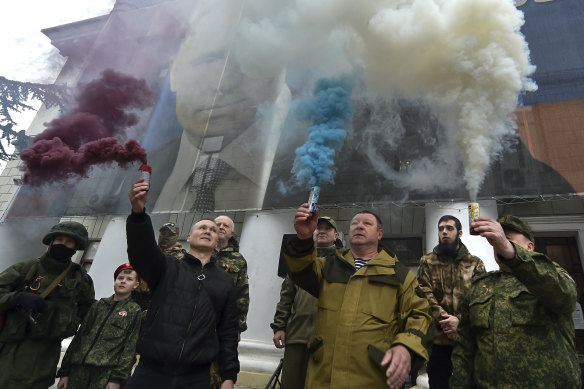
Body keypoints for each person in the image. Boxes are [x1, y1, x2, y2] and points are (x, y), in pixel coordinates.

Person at [285, 204, 432, 389]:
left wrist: (406, 347)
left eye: (367, 223)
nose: (359, 226)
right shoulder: (328, 265)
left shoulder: (399, 274)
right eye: (354, 223)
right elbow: (299, 269)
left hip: (371, 379)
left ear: (379, 234)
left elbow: (421, 315)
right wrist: (304, 237)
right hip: (322, 378)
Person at [126, 178, 239, 389]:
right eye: (202, 227)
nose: (208, 231)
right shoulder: (168, 267)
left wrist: (229, 375)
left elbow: (228, 331)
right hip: (151, 371)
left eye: (213, 230)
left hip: (196, 377)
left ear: (217, 242)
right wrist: (138, 215)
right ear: (189, 236)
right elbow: (141, 251)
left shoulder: (225, 282)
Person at [451, 215, 581, 388]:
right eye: (497, 240)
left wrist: (511, 252)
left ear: (530, 247)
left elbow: (566, 297)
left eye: (508, 239)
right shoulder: (481, 285)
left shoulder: (553, 274)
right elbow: (465, 345)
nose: (499, 243)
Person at [0, 221, 95, 389]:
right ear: (51, 241)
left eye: (69, 242)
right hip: (13, 346)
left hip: (47, 354)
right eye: (59, 239)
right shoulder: (27, 268)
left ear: (75, 246)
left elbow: (88, 311)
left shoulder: (81, 279)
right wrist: (17, 297)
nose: (63, 244)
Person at [416, 215, 486, 388]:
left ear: (460, 233)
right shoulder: (427, 262)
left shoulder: (475, 263)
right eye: (441, 229)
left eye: (449, 228)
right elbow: (424, 293)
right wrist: (446, 321)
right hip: (438, 341)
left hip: (467, 339)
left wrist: (459, 322)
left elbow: (480, 297)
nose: (444, 232)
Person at [271, 216, 340, 389]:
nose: (322, 231)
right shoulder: (300, 260)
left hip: (329, 337)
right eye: (318, 228)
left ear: (336, 235)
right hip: (298, 333)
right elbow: (287, 295)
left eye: (327, 229)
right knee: (292, 383)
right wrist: (279, 326)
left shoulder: (344, 262)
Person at [56, 263, 142, 389]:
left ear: (135, 285)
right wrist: (65, 372)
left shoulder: (134, 311)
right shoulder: (99, 306)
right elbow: (79, 338)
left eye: (129, 279)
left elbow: (129, 347)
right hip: (78, 370)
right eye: (120, 278)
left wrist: (116, 379)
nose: (123, 281)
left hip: (104, 375)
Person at [210, 215, 250, 389]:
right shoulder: (202, 252)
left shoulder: (238, 260)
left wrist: (238, 327)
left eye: (225, 225)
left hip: (224, 323)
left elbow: (242, 295)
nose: (221, 227)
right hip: (198, 318)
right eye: (217, 224)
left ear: (231, 232)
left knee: (221, 366)